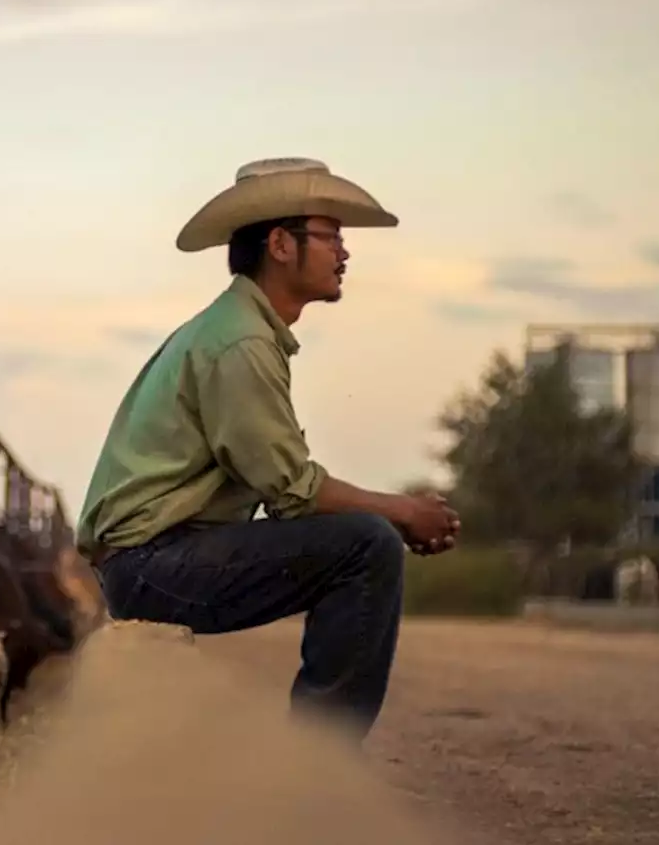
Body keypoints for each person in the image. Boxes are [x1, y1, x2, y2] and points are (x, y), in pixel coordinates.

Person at [76, 157, 461, 743]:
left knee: (362, 540)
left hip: (153, 557)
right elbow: (293, 494)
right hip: (152, 565)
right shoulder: (240, 344)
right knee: (368, 546)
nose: (344, 253)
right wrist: (405, 511)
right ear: (281, 244)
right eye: (330, 236)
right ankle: (316, 763)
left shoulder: (235, 331)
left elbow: (287, 484)